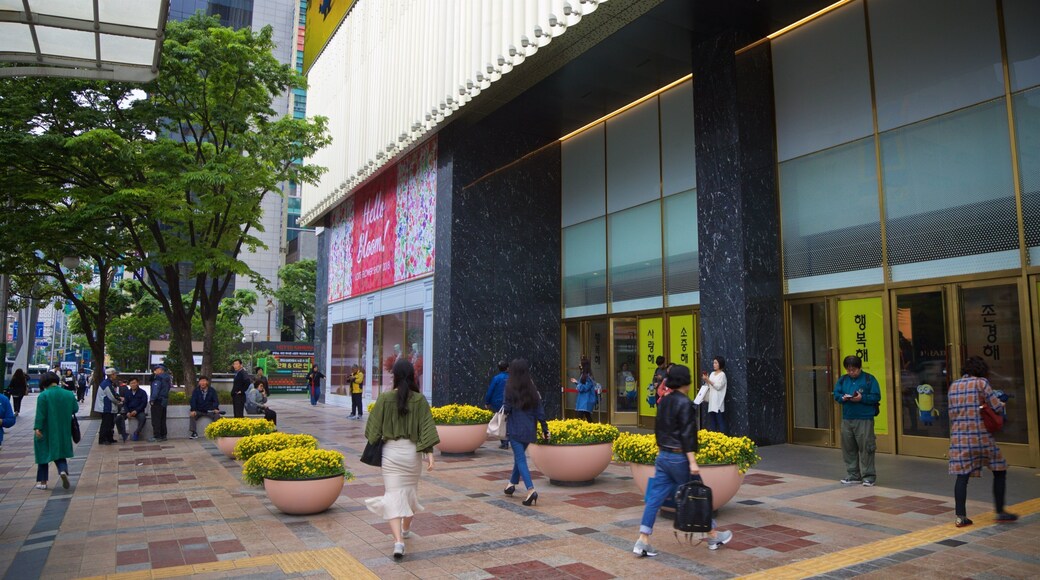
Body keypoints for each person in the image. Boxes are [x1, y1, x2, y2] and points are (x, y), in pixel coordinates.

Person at [632, 364, 733, 557]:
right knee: (696, 495)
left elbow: (658, 430)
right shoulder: (685, 404)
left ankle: (643, 539)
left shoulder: (665, 401)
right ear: (684, 382)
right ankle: (712, 535)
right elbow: (687, 434)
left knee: (654, 498)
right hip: (680, 458)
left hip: (663, 456)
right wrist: (692, 461)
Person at [364, 359, 439, 561]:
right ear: (413, 376)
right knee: (409, 493)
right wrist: (430, 454)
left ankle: (398, 541)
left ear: (394, 376)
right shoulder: (420, 400)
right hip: (412, 454)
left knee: (393, 494)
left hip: (391, 454)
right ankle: (405, 529)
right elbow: (427, 428)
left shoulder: (384, 399)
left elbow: (371, 430)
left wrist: (380, 434)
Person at [948, 355, 1017, 528]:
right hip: (980, 437)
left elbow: (951, 414)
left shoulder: (953, 386)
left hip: (959, 437)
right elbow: (995, 406)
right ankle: (1000, 511)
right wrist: (1002, 403)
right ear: (981, 370)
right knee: (999, 468)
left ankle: (960, 517)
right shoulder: (981, 383)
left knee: (962, 476)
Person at [503, 358, 549, 506]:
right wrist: (544, 428)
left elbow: (507, 409)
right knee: (519, 457)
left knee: (520, 459)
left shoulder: (509, 388)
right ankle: (511, 484)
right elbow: (540, 411)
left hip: (515, 429)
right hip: (530, 430)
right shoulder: (532, 389)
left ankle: (531, 490)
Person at [833, 355, 881, 487]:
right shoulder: (843, 380)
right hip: (847, 418)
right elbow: (836, 394)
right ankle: (853, 475)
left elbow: (876, 396)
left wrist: (862, 398)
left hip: (864, 418)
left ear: (859, 368)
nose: (851, 372)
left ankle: (869, 476)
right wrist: (842, 397)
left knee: (866, 447)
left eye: (853, 370)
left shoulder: (869, 379)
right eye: (848, 370)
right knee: (849, 447)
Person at [33, 372, 78, 490]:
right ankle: (62, 470)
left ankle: (43, 482)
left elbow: (40, 415)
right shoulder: (68, 394)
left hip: (46, 429)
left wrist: (37, 428)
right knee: (60, 452)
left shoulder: (43, 396)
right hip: (63, 429)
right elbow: (75, 408)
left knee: (43, 454)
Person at [484, 361, 510, 448]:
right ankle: (508, 439)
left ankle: (504, 441)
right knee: (508, 420)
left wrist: (487, 402)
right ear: (507, 368)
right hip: (510, 402)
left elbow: (490, 391)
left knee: (501, 420)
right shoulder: (512, 378)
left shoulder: (496, 378)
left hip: (498, 403)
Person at [94, 368, 122, 445]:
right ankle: (103, 439)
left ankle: (109, 438)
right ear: (111, 375)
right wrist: (119, 401)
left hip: (108, 407)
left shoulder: (108, 383)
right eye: (114, 374)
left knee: (110, 424)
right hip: (106, 407)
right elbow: (112, 396)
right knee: (106, 424)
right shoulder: (106, 384)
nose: (115, 375)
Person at [116, 378, 148, 442]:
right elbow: (125, 403)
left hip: (138, 411)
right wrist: (127, 412)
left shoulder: (142, 392)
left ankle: (137, 432)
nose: (133, 384)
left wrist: (136, 411)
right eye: (131, 383)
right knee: (118, 418)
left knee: (143, 418)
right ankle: (123, 434)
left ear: (138, 383)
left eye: (134, 383)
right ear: (129, 384)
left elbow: (144, 403)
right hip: (128, 411)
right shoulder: (127, 392)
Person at [702, 356, 728, 434]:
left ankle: (723, 439)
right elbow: (709, 386)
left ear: (720, 364)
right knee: (712, 422)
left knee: (720, 422)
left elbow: (718, 387)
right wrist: (706, 380)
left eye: (716, 363)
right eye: (713, 363)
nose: (714, 364)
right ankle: (713, 440)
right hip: (712, 401)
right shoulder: (712, 374)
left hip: (718, 402)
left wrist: (708, 380)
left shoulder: (722, 375)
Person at [149, 365, 172, 442]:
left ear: (160, 370)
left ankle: (157, 436)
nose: (154, 371)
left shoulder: (158, 379)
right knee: (162, 419)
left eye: (156, 370)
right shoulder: (167, 378)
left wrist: (152, 399)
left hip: (157, 401)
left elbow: (156, 390)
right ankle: (163, 435)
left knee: (156, 419)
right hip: (164, 401)